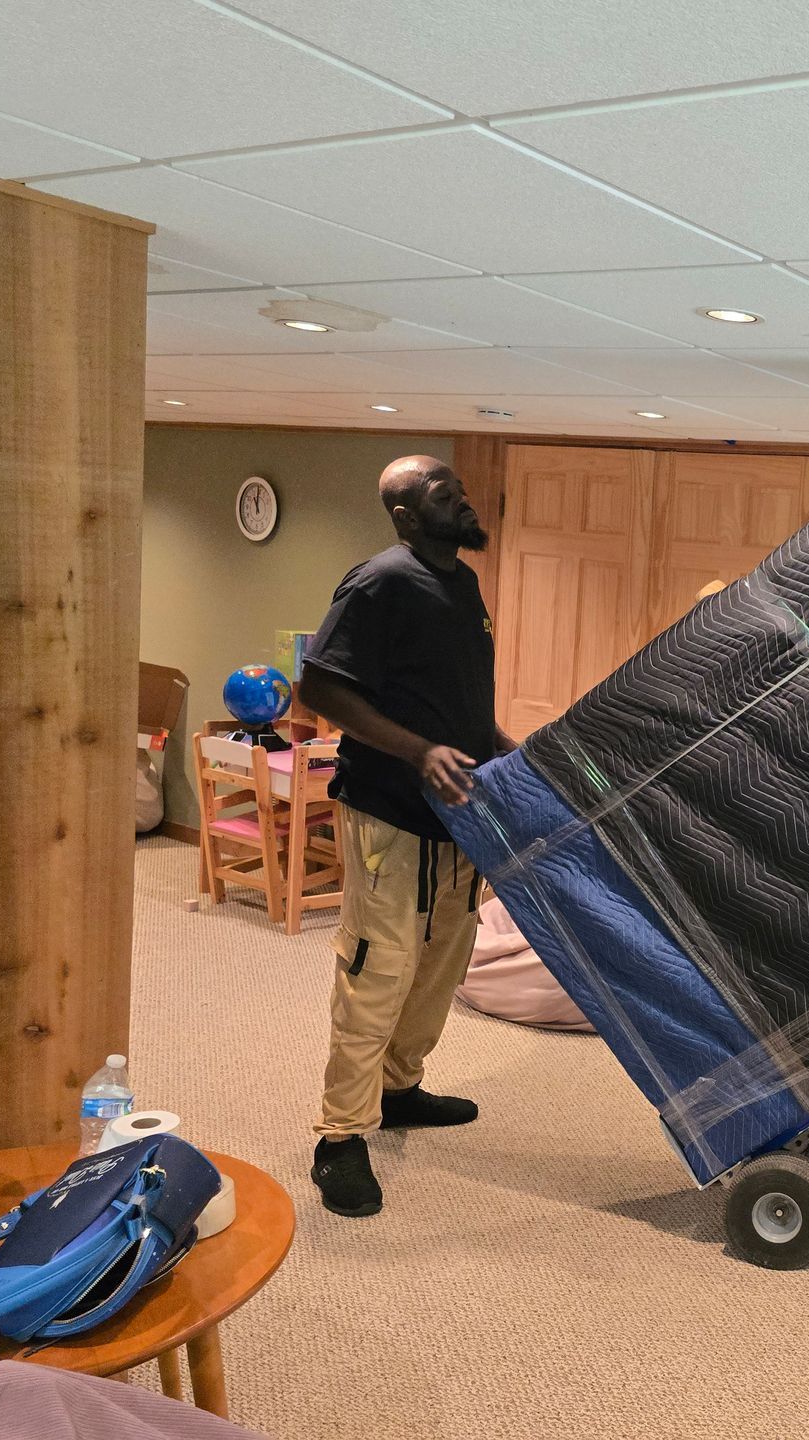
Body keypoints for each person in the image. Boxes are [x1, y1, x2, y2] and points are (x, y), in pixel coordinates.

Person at [298, 455, 515, 1218]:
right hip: (390, 815)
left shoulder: (462, 584)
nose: (459, 496)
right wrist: (417, 752)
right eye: (438, 492)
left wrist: (498, 747)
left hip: (458, 817)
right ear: (403, 514)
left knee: (439, 970)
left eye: (457, 486)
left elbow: (457, 700)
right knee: (377, 971)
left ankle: (398, 1089)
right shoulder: (379, 582)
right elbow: (318, 685)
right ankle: (339, 1138)